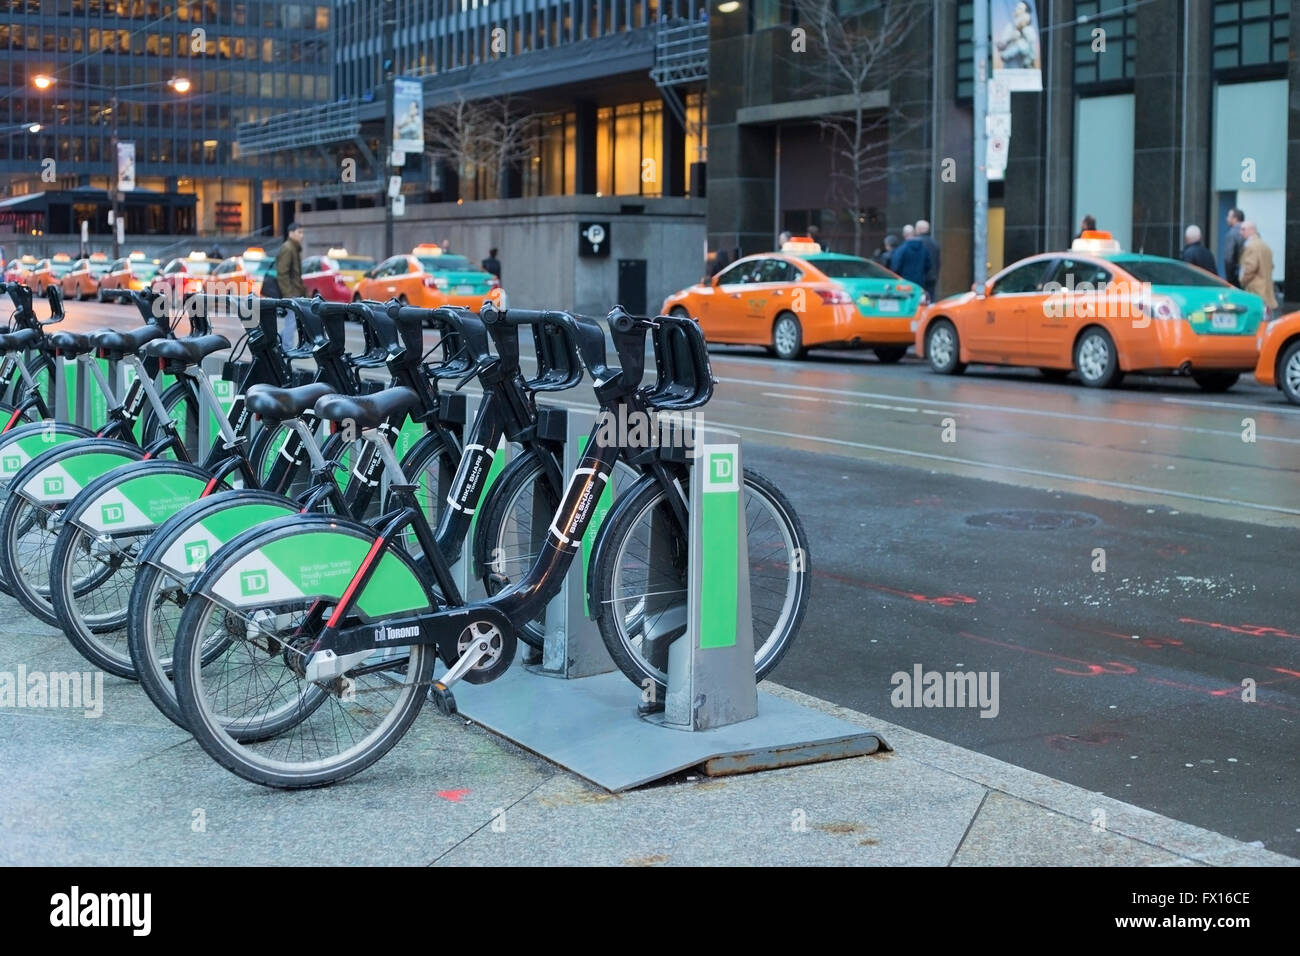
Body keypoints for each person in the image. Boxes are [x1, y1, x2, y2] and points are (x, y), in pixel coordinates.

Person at [1238, 221, 1277, 318]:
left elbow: (1250, 267)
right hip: (1266, 287)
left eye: (1243, 229)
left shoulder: (1251, 246)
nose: (1240, 232)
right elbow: (1271, 266)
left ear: (1252, 230)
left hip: (1255, 289)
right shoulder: (1265, 245)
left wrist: (1242, 280)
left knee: (1256, 318)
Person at [260, 222, 306, 299]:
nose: (302, 235)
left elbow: (296, 275)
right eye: (299, 232)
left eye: (302, 232)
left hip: (296, 294)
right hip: (291, 295)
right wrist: (288, 296)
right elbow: (282, 273)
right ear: (291, 233)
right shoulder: (288, 248)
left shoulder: (294, 248)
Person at [996, 1, 1038, 70]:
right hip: (1009, 68)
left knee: (1022, 45)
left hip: (1024, 69)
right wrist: (1011, 38)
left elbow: (1031, 48)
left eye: (1019, 8)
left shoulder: (1029, 29)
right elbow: (999, 46)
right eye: (1016, 7)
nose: (1016, 9)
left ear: (1026, 13)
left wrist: (1023, 30)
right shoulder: (1009, 27)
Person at [915, 219, 941, 301]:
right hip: (932, 277)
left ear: (919, 229)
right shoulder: (934, 243)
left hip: (919, 278)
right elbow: (938, 262)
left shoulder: (916, 243)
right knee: (930, 300)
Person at [1222, 208, 1245, 286]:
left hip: (1236, 277)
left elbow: (1229, 259)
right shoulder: (1250, 233)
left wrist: (1229, 280)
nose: (1227, 219)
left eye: (1229, 216)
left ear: (1235, 219)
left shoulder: (1232, 234)